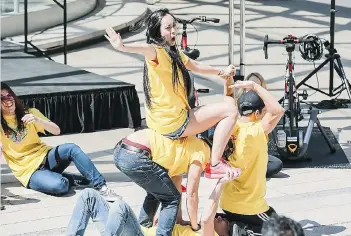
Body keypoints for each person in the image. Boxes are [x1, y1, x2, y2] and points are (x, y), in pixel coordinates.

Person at [105, 8, 239, 179]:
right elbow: (145, 48)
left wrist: (222, 73)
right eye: (168, 28)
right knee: (231, 111)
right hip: (173, 123)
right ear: (157, 32)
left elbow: (195, 66)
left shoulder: (174, 53)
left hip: (166, 120)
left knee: (228, 105)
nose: (173, 31)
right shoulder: (156, 51)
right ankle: (215, 164)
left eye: (174, 26)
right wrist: (123, 47)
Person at [0, 82, 119, 201]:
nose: (8, 101)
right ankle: (69, 179)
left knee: (71, 148)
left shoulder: (30, 112)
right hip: (29, 171)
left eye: (9, 96)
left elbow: (56, 130)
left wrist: (37, 120)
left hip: (46, 156)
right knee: (61, 185)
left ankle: (102, 187)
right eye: (2, 99)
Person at [113, 128, 242, 236]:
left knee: (161, 194)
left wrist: (187, 222)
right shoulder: (204, 152)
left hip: (123, 150)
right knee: (171, 198)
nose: (222, 217)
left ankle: (142, 226)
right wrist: (194, 225)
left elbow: (176, 184)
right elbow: (191, 194)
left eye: (228, 225)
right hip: (135, 154)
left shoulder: (193, 145)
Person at [66, 173, 238, 236]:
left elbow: (208, 217)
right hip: (134, 231)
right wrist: (177, 174)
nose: (221, 217)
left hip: (138, 233)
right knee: (89, 195)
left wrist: (220, 183)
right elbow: (175, 214)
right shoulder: (195, 227)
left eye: (225, 222)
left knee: (121, 207)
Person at [219, 80, 285, 235]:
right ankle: (242, 231)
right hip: (249, 206)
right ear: (256, 113)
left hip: (227, 202)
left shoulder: (230, 125)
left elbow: (228, 99)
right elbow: (278, 110)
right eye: (262, 112)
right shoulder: (256, 131)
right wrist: (255, 86)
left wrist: (228, 81)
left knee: (272, 216)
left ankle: (237, 226)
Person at [225, 72, 283, 178]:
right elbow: (278, 111)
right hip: (240, 150)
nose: (252, 89)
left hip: (253, 151)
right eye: (250, 85)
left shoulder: (264, 109)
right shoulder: (239, 104)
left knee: (276, 163)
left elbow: (227, 98)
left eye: (256, 86)